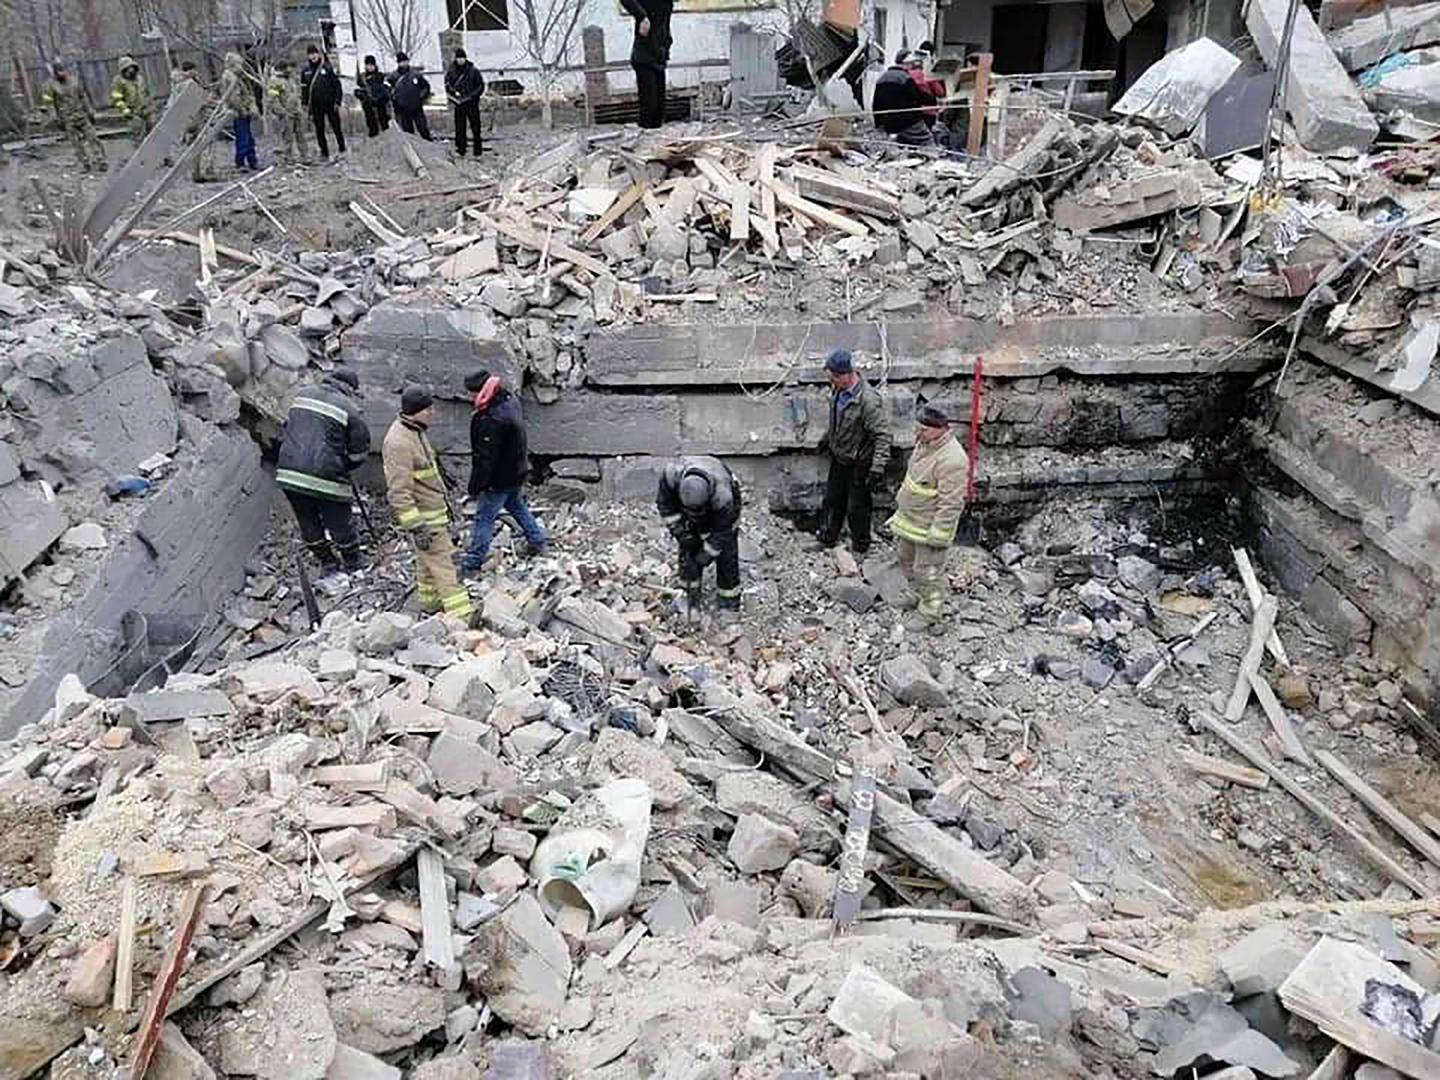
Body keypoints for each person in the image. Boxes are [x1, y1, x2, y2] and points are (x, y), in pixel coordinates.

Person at [383, 388, 475, 622]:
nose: (433, 413)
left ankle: (429, 603)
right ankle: (462, 615)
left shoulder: (415, 431)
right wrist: (416, 526)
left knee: (427, 563)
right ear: (415, 412)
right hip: (425, 519)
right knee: (444, 565)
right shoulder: (398, 442)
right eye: (428, 409)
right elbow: (399, 491)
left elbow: (425, 471)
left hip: (432, 513)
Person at [275, 369, 370, 577]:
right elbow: (360, 451)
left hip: (289, 473)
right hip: (325, 477)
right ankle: (353, 563)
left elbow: (288, 428)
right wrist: (345, 465)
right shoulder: (350, 408)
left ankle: (328, 563)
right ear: (350, 389)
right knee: (339, 520)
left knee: (307, 520)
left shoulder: (302, 395)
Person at [886, 404, 968, 627]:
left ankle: (931, 610)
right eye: (917, 427)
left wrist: (939, 534)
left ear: (941, 428)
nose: (917, 433)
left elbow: (951, 502)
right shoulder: (925, 444)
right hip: (911, 521)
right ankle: (916, 594)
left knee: (928, 571)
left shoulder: (953, 460)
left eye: (923, 429)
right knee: (905, 560)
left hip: (928, 527)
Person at [459, 369, 546, 576]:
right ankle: (537, 541)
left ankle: (472, 561)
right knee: (517, 506)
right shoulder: (508, 399)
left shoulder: (491, 419)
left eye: (471, 393)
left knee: (484, 517)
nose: (470, 397)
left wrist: (475, 487)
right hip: (516, 471)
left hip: (499, 479)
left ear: (480, 391)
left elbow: (485, 460)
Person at [808, 349, 891, 557]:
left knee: (858, 507)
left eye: (835, 377)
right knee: (832, 500)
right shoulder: (838, 390)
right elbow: (838, 421)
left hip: (859, 461)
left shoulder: (868, 401)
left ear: (846, 374)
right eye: (831, 378)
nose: (832, 382)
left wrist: (877, 468)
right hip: (840, 456)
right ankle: (827, 537)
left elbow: (883, 435)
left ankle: (861, 547)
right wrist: (826, 440)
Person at [657, 455, 743, 614]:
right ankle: (689, 598)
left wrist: (707, 554)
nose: (695, 514)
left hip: (722, 519)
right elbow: (666, 507)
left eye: (697, 511)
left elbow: (721, 532)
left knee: (726, 558)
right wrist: (681, 533)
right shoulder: (670, 476)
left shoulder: (723, 497)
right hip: (687, 518)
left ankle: (729, 605)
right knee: (688, 556)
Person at [42, 63, 104, 174]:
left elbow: (83, 96)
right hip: (67, 118)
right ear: (55, 74)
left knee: (93, 138)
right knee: (76, 144)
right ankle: (85, 164)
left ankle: (101, 161)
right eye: (58, 72)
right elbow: (49, 103)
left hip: (81, 115)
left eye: (62, 71)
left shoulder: (74, 81)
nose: (61, 73)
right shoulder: (51, 86)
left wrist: (89, 111)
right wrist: (55, 118)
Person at [621, 0, 672, 129]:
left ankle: (655, 141)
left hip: (659, 54)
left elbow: (664, 22)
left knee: (659, 112)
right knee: (649, 106)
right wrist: (641, 16)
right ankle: (644, 136)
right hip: (644, 55)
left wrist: (667, 42)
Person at [872, 50, 937, 147]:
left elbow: (875, 104)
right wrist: (932, 100)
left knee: (902, 147)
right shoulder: (905, 78)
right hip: (908, 122)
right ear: (907, 64)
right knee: (927, 142)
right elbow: (918, 96)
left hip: (888, 124)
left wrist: (878, 124)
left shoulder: (881, 78)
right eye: (911, 64)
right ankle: (933, 158)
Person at [301, 45, 346, 159]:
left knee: (336, 127)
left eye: (315, 53)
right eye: (310, 54)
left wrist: (338, 101)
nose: (313, 56)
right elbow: (304, 89)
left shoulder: (327, 67)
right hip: (316, 106)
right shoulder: (305, 71)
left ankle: (342, 147)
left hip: (330, 104)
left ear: (318, 54)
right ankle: (324, 152)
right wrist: (305, 105)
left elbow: (337, 86)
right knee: (319, 130)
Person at [220, 52, 259, 172]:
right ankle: (241, 162)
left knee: (249, 137)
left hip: (243, 109)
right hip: (238, 112)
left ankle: (252, 160)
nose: (241, 67)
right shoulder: (230, 77)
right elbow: (233, 97)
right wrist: (242, 108)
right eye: (239, 64)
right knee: (243, 137)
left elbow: (248, 92)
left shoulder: (239, 76)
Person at [444, 48, 484, 157]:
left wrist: (473, 96)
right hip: (459, 103)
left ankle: (478, 151)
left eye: (462, 58)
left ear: (465, 58)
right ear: (456, 59)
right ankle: (461, 150)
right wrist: (453, 95)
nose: (460, 60)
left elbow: (480, 86)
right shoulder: (451, 71)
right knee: (460, 128)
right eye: (458, 58)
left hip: (472, 103)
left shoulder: (473, 71)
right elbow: (447, 86)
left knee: (476, 127)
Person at [110, 55, 156, 145]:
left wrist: (151, 106)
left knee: (154, 132)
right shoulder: (118, 82)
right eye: (127, 69)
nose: (131, 71)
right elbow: (116, 99)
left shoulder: (140, 79)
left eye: (132, 68)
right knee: (139, 136)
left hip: (147, 111)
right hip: (133, 113)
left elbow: (147, 93)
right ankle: (143, 156)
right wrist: (126, 111)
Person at [267, 60, 307, 162]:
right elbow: (272, 99)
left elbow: (297, 93)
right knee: (287, 137)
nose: (291, 70)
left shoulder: (291, 78)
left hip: (296, 111)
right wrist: (281, 112)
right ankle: (288, 157)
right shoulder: (274, 81)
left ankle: (304, 156)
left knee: (301, 135)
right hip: (286, 113)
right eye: (289, 68)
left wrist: (300, 106)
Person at [388, 53, 433, 140]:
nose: (403, 64)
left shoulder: (416, 74)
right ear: (398, 63)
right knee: (408, 133)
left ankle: (430, 146)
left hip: (416, 107)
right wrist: (395, 100)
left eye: (405, 61)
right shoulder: (393, 77)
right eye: (401, 62)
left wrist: (421, 98)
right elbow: (389, 90)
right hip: (403, 109)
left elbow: (426, 87)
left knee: (423, 129)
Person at [355, 54, 391, 137]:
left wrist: (381, 97)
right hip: (369, 107)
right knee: (372, 128)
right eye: (368, 65)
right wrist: (361, 95)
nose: (370, 67)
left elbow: (387, 90)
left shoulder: (380, 76)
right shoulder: (362, 78)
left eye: (372, 65)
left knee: (384, 126)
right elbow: (358, 90)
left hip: (381, 106)